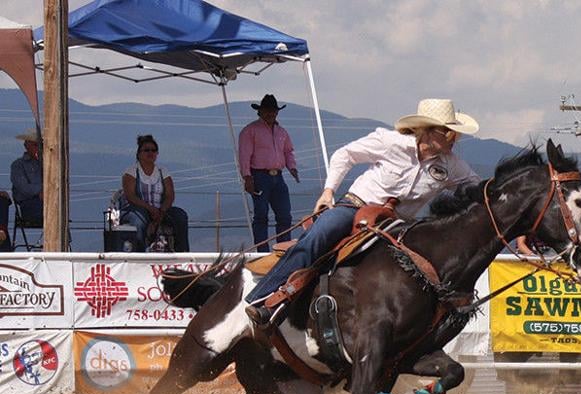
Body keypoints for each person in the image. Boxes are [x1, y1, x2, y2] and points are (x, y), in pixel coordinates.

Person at [245, 98, 481, 325]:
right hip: (357, 206)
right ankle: (264, 299)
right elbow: (345, 155)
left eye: (455, 134)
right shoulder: (390, 142)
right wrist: (328, 191)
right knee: (319, 235)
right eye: (448, 133)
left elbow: (477, 186)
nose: (454, 139)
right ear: (428, 131)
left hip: (399, 226)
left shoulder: (451, 164)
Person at [238, 94, 299, 252]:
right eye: (267, 111)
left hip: (278, 176)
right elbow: (244, 155)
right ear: (260, 112)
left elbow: (288, 152)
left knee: (285, 215)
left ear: (277, 112)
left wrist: (292, 167)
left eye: (273, 111)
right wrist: (247, 177)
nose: (270, 114)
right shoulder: (250, 131)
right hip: (259, 176)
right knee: (261, 215)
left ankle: (283, 249)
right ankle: (262, 251)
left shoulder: (282, 132)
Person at [120, 134, 190, 252]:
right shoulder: (131, 172)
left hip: (160, 209)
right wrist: (149, 209)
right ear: (139, 153)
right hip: (137, 209)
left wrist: (161, 212)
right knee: (139, 221)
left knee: (180, 216)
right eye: (146, 150)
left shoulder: (163, 172)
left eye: (153, 150)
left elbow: (169, 195)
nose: (150, 153)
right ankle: (140, 253)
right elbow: (130, 196)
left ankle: (182, 253)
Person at [11, 128, 43, 224]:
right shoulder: (18, 165)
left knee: (59, 209)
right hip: (29, 203)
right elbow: (24, 188)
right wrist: (42, 191)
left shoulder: (49, 164)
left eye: (41, 145)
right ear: (26, 146)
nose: (38, 148)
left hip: (47, 202)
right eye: (35, 145)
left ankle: (64, 237)